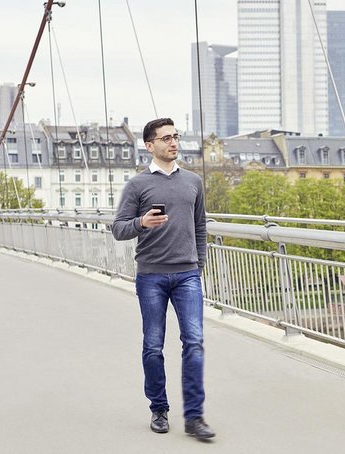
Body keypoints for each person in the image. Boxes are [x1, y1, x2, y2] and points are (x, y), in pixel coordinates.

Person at [112, 117, 214, 439]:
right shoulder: (137, 185)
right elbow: (118, 229)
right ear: (149, 145)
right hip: (151, 276)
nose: (174, 143)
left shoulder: (194, 182)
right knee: (153, 346)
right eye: (166, 138)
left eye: (176, 136)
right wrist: (142, 223)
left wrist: (199, 265)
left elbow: (200, 226)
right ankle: (159, 408)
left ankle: (195, 417)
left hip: (187, 275)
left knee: (194, 343)